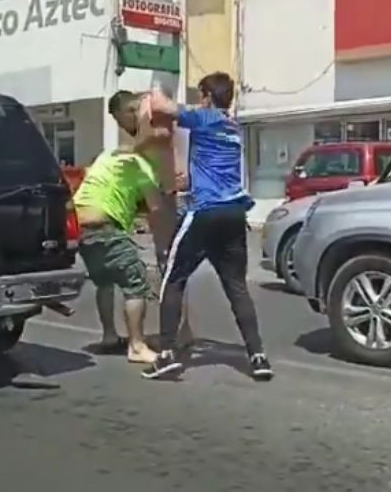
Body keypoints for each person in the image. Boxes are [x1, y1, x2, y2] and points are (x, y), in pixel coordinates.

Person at [141, 73, 273, 381]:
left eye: (201, 94)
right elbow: (210, 164)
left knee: (173, 279)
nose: (199, 99)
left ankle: (167, 354)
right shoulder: (233, 127)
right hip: (234, 214)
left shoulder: (204, 118)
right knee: (237, 287)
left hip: (206, 211)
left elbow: (161, 106)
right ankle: (257, 355)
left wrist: (154, 88)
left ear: (208, 96)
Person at [71, 115, 167, 364]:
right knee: (135, 281)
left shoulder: (109, 156)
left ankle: (109, 336)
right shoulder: (143, 167)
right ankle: (136, 346)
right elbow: (156, 208)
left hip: (80, 224)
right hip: (105, 227)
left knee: (105, 281)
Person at [108, 91, 196, 351]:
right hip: (164, 193)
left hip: (172, 193)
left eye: (118, 120)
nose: (122, 126)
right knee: (169, 262)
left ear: (125, 111)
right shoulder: (145, 117)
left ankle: (179, 332)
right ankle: (181, 330)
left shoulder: (151, 106)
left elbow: (164, 134)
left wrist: (135, 147)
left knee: (169, 263)